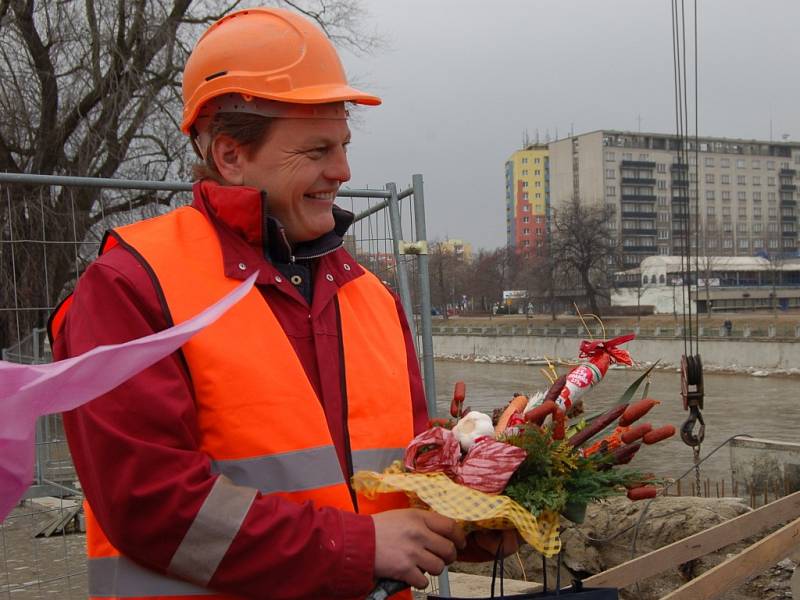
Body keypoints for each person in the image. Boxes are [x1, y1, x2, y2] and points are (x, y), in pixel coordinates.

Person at [49, 7, 515, 600]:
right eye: (317, 150)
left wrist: (481, 523)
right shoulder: (130, 287)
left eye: (343, 146)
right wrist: (355, 546)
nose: (343, 171)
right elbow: (150, 502)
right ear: (230, 155)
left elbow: (409, 481)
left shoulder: (369, 297)